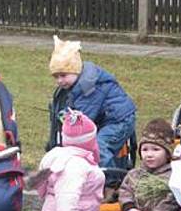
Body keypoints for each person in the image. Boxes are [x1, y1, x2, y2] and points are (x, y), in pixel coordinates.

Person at [49, 35, 136, 170]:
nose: (59, 81)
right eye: (56, 77)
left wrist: (65, 117)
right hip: (104, 118)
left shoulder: (88, 86)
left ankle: (109, 179)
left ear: (76, 71)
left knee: (99, 146)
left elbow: (83, 118)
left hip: (119, 121)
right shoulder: (75, 85)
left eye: (63, 75)